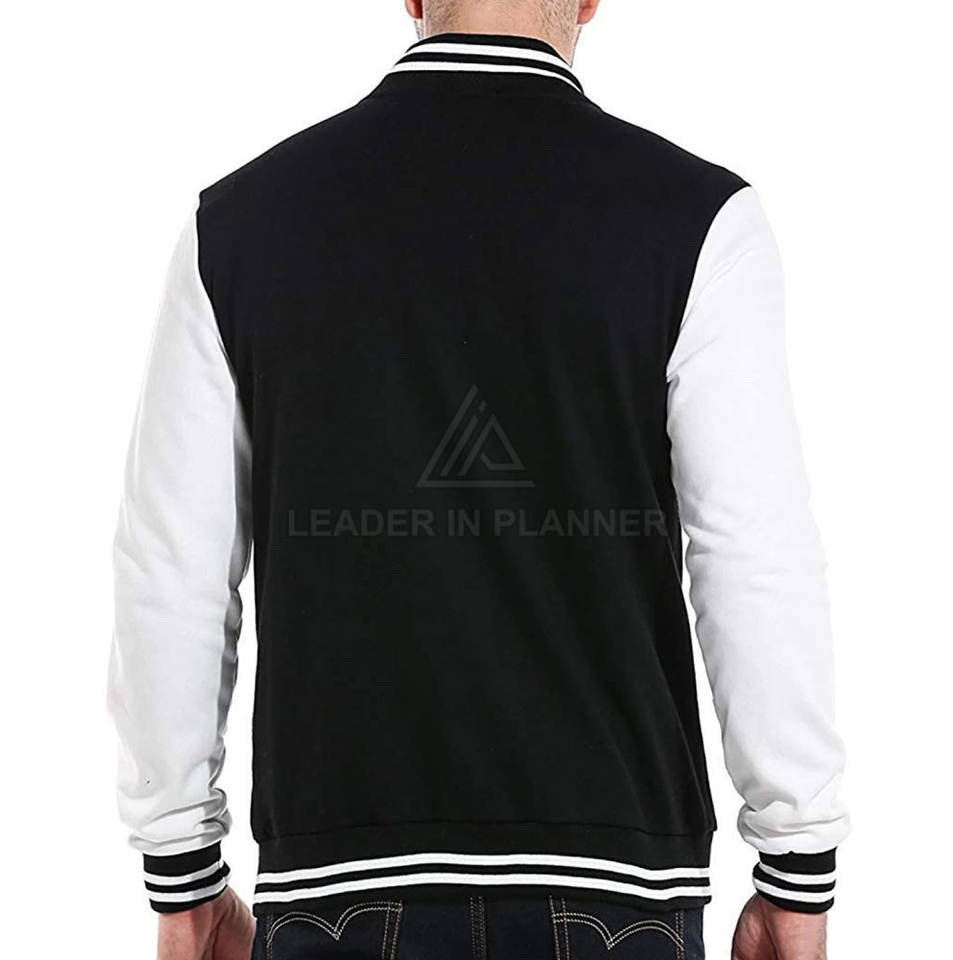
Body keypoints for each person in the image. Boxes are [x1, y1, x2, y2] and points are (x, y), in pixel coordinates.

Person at [109, 1, 849, 958]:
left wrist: (183, 876)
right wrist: (796, 864)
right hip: (617, 894)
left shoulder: (239, 226)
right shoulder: (699, 222)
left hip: (335, 889)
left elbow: (170, 572)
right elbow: (753, 555)